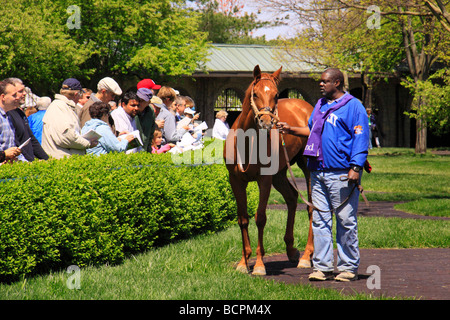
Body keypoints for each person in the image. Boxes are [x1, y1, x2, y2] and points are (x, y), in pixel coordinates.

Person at [277, 68, 369, 282]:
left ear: (337, 82)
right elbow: (312, 132)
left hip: (342, 174)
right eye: (320, 81)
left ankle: (348, 268)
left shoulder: (354, 106)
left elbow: (361, 138)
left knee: (345, 220)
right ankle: (323, 267)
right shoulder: (319, 105)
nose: (320, 84)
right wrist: (290, 128)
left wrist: (356, 167)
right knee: (320, 220)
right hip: (317, 172)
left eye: (324, 81)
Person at [41, 78, 97, 159]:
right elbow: (66, 137)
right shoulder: (59, 106)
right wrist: (87, 143)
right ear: (76, 94)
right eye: (80, 95)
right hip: (61, 162)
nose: (80, 98)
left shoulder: (65, 106)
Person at [0, 79, 26, 163]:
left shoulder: (8, 116)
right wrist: (4, 154)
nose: (18, 97)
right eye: (14, 95)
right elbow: (5, 152)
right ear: (3, 97)